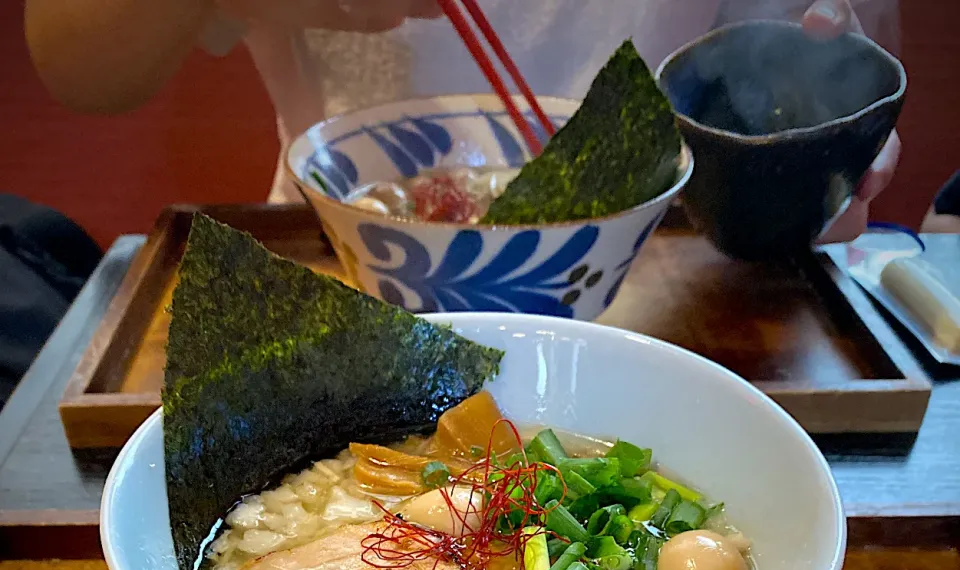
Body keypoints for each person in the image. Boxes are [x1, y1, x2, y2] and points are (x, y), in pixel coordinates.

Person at [25, 1, 900, 242]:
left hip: (657, 269)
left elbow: (832, 51)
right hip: (341, 252)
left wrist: (819, 153)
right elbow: (74, 59)